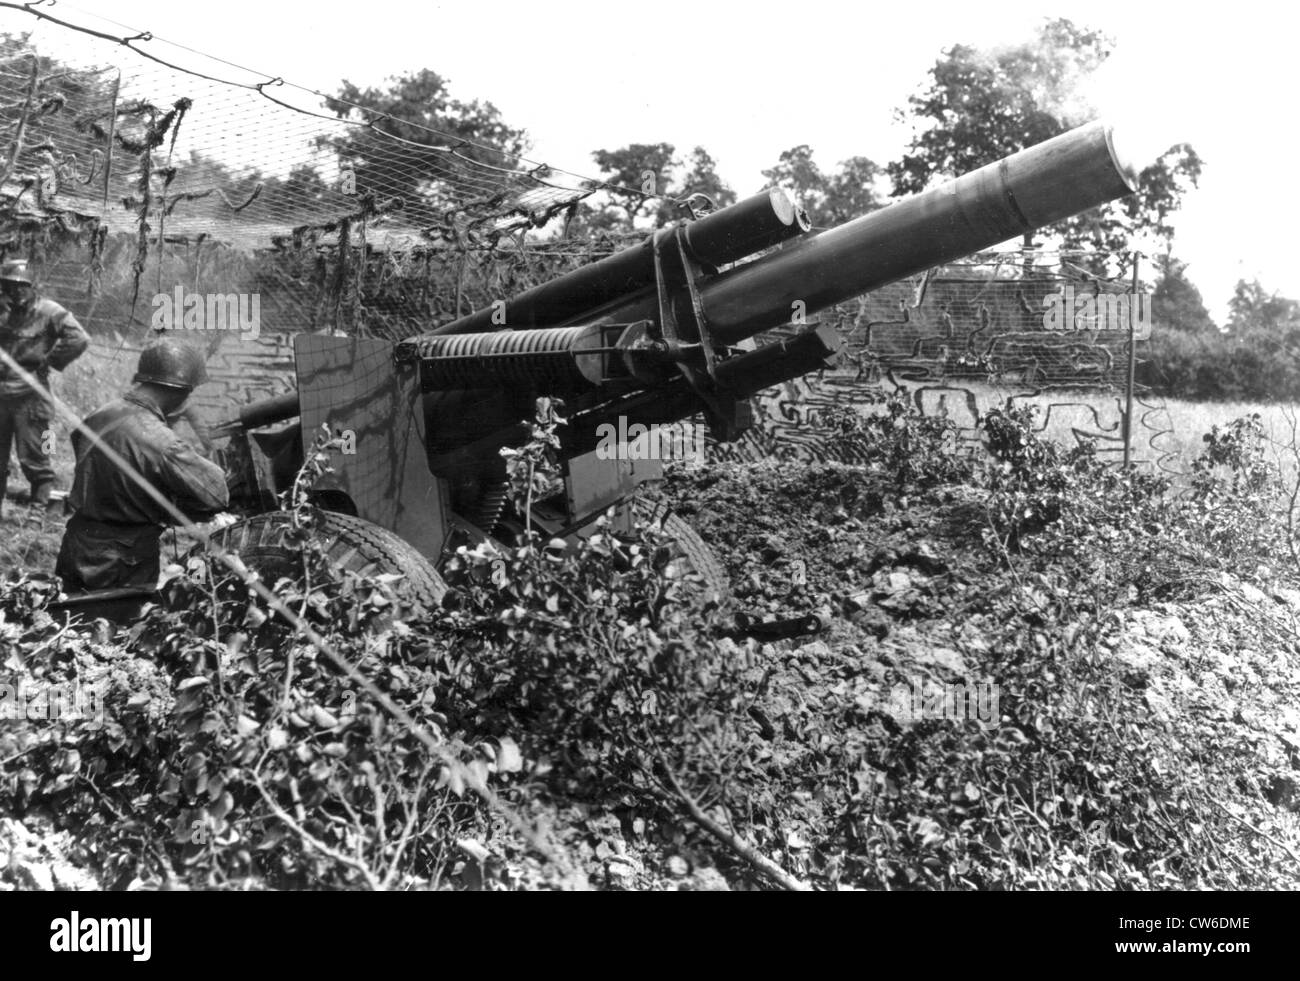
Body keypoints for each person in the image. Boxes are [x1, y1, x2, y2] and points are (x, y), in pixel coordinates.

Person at [55, 337, 230, 593]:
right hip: (122, 560)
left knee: (71, 623)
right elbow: (217, 493)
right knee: (117, 627)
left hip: (76, 543)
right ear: (181, 390)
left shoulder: (99, 415)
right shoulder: (162, 441)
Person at [0, 259, 90, 509]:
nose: (15, 291)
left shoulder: (49, 311)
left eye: (21, 286)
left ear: (33, 287)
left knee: (35, 455)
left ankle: (39, 507)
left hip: (31, 397)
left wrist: (49, 362)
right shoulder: (2, 310)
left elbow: (79, 338)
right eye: (9, 286)